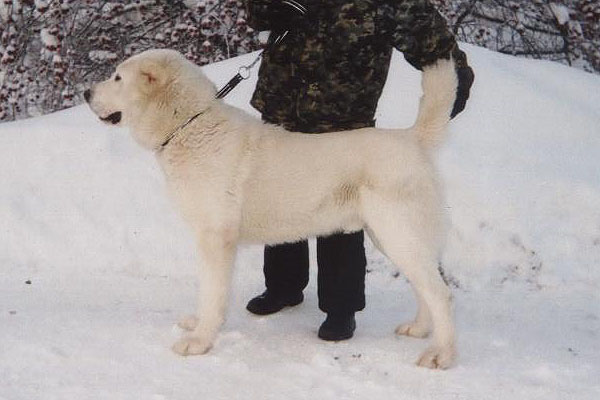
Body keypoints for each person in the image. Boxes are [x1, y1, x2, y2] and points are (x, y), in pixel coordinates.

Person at [244, 0, 474, 341]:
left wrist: (455, 78)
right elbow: (257, 13)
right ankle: (283, 286)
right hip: (283, 104)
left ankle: (341, 307)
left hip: (342, 114)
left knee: (342, 208)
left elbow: (429, 36)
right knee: (283, 196)